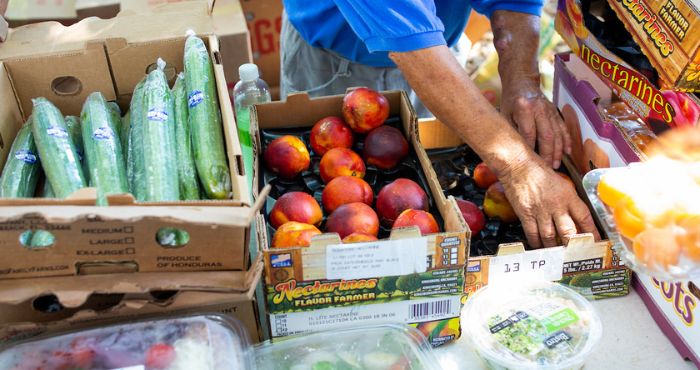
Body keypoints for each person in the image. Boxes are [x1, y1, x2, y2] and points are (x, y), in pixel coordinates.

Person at [281, 1, 600, 248]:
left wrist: (522, 80)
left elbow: (514, 3)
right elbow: (417, 52)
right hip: (337, 62)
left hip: (440, 46)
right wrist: (518, 165)